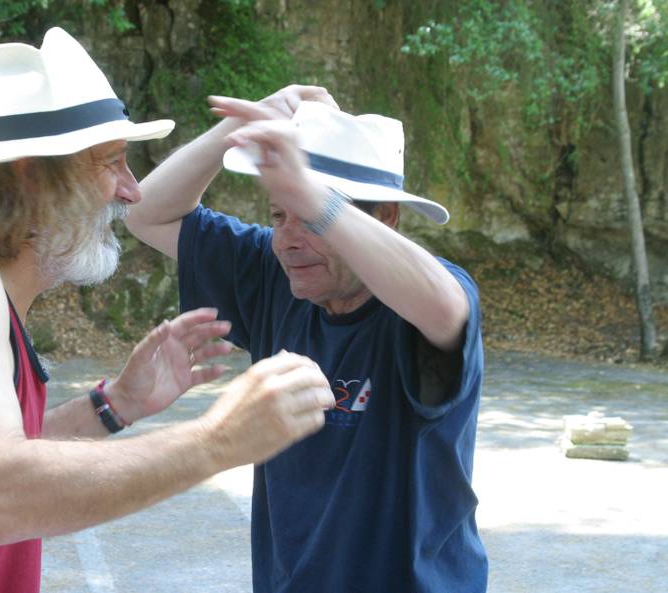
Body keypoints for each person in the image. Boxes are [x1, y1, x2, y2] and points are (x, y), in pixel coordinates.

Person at [0, 29, 335, 593]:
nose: (131, 191)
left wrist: (113, 405)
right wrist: (221, 438)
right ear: (31, 172)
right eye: (112, 163)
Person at [125, 92, 488, 592]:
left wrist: (307, 192)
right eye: (278, 216)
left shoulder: (420, 302)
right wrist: (235, 129)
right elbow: (146, 215)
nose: (289, 239)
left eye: (312, 219)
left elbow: (448, 309)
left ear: (383, 218)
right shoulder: (276, 278)